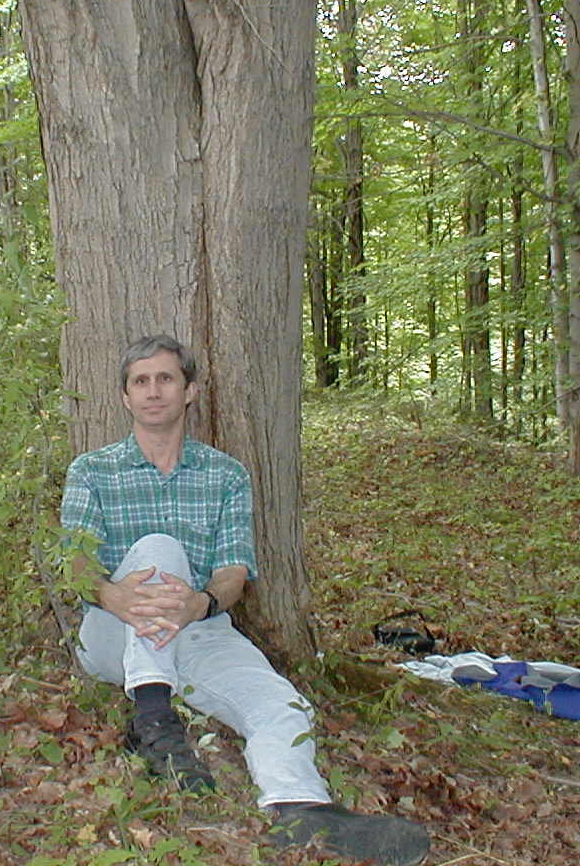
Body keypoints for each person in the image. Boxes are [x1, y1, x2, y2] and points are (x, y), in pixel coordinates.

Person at [59, 334, 429, 865]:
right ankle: (154, 717)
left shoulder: (225, 475)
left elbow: (234, 572)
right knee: (160, 549)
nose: (153, 391)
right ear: (125, 397)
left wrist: (201, 604)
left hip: (200, 630)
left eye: (166, 378)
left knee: (281, 705)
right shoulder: (92, 471)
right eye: (141, 381)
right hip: (110, 633)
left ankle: (299, 809)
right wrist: (113, 595)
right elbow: (73, 561)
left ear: (190, 391)